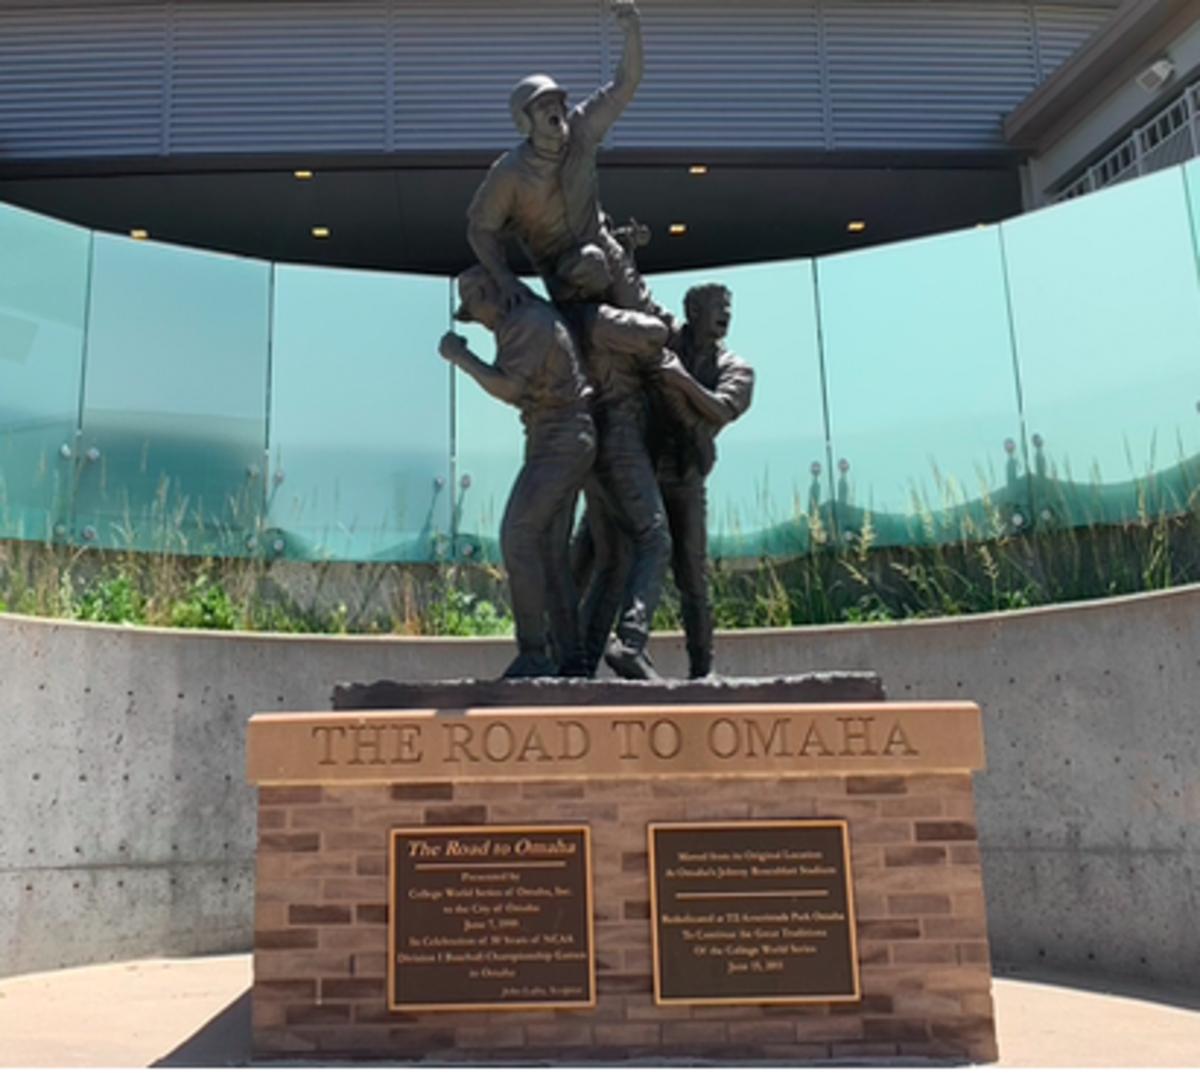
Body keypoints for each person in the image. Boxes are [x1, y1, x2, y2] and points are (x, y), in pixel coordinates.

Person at [438, 265, 595, 678]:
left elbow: (510, 387)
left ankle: (534, 652)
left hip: (560, 442)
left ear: (490, 295)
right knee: (550, 552)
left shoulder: (525, 322)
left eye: (476, 308)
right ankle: (572, 658)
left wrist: (462, 357)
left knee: (518, 535)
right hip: (559, 439)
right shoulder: (524, 319)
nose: (481, 321)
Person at [466, 0, 654, 313]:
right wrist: (506, 280)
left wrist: (632, 31)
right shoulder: (511, 172)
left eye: (557, 101)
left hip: (604, 247)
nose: (555, 109)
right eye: (543, 106)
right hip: (563, 270)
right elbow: (479, 229)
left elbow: (625, 85)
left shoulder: (581, 129)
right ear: (525, 123)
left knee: (651, 323)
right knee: (606, 322)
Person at [555, 246, 673, 679]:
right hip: (619, 438)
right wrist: (630, 281)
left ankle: (580, 658)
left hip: (591, 442)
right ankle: (632, 639)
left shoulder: (565, 321)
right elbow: (657, 331)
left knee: (613, 554)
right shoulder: (601, 321)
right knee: (654, 537)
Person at [651, 284, 754, 679]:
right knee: (626, 561)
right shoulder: (670, 337)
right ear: (693, 310)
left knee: (692, 575)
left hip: (687, 477)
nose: (726, 313)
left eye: (729, 306)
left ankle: (702, 669)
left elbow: (722, 410)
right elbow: (637, 298)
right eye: (717, 306)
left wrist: (680, 381)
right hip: (643, 468)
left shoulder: (737, 368)